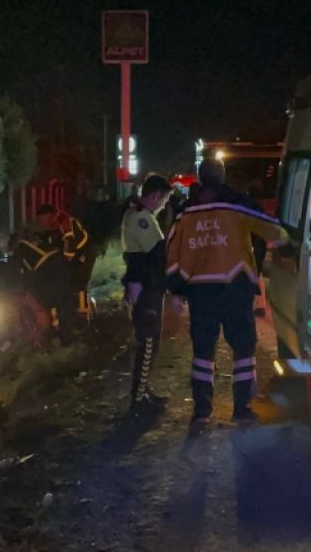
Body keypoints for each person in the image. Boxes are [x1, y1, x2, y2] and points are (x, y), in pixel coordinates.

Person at [166, 158, 288, 425]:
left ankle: (201, 410)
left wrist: (176, 290)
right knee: (243, 349)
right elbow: (271, 227)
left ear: (200, 177)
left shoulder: (185, 211)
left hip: (200, 291)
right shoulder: (236, 203)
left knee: (202, 351)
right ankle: (242, 408)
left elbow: (172, 252)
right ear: (222, 177)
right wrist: (286, 242)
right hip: (234, 288)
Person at [122, 175, 175, 414]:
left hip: (149, 286)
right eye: (165, 199)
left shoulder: (140, 215)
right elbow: (158, 253)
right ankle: (138, 399)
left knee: (151, 343)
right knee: (148, 343)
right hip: (146, 289)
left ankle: (143, 391)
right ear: (156, 195)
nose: (165, 204)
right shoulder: (141, 219)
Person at [34, 203, 94, 323]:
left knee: (79, 282)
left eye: (42, 220)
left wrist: (64, 261)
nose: (41, 224)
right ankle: (71, 313)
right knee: (69, 282)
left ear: (48, 215)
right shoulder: (53, 225)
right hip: (75, 255)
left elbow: (69, 244)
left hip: (83, 254)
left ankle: (82, 318)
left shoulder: (64, 222)